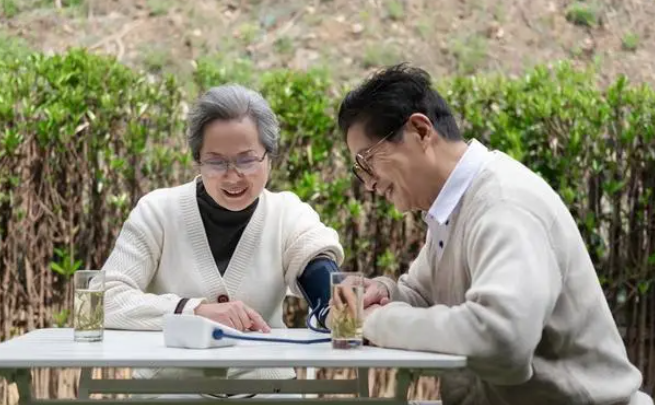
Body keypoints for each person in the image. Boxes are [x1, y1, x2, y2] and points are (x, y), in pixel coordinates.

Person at [337, 63, 652, 405]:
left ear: (421, 130)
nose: (368, 184)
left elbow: (501, 339)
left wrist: (379, 320)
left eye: (366, 161)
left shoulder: (504, 205)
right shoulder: (453, 209)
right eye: (358, 171)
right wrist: (382, 293)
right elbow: (421, 297)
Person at [100, 84, 343, 398]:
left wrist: (332, 303)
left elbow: (316, 267)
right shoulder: (157, 211)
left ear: (269, 158)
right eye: (216, 162)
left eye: (247, 160)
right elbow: (104, 299)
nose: (232, 176)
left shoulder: (288, 213)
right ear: (197, 160)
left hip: (268, 390)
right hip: (169, 391)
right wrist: (193, 311)